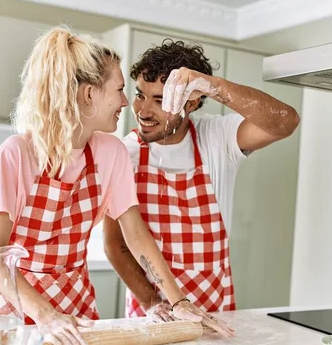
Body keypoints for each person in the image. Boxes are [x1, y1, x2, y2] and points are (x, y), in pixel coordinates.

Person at [0, 29, 235, 345]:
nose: (127, 103)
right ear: (89, 94)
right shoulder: (18, 153)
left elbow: (136, 235)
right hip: (17, 311)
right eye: (119, 90)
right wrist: (45, 316)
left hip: (78, 308)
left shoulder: (110, 152)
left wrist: (177, 301)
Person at [104, 39, 300, 321]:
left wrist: (215, 86)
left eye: (159, 100)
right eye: (140, 95)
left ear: (192, 101)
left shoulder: (217, 138)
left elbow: (286, 122)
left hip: (214, 307)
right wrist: (153, 303)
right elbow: (116, 244)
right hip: (156, 312)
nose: (143, 111)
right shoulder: (125, 153)